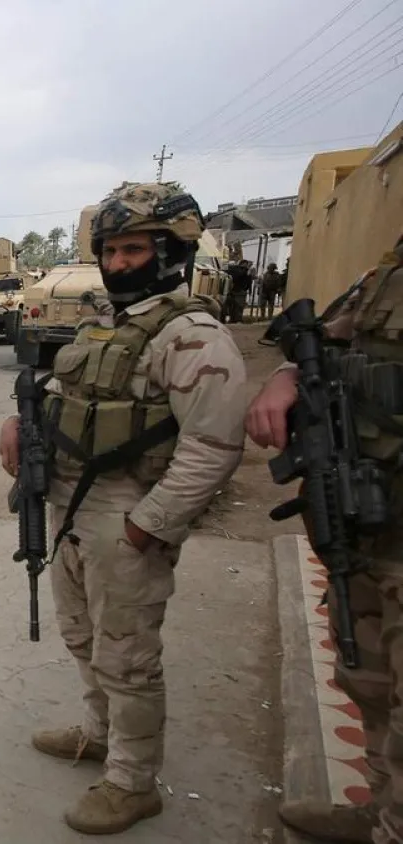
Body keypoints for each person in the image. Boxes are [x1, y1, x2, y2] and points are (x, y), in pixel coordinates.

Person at [0, 182, 248, 834]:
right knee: (83, 636)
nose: (117, 263)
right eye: (109, 249)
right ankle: (100, 732)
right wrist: (18, 424)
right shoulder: (111, 324)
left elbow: (212, 449)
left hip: (129, 507)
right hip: (71, 506)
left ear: (171, 250)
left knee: (128, 656)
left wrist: (147, 526)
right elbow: (69, 392)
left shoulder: (193, 337)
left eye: (133, 248)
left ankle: (134, 783)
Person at [246, 230, 403, 844]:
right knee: (368, 678)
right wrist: (286, 374)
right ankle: (383, 811)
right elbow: (332, 332)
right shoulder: (386, 272)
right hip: (371, 515)